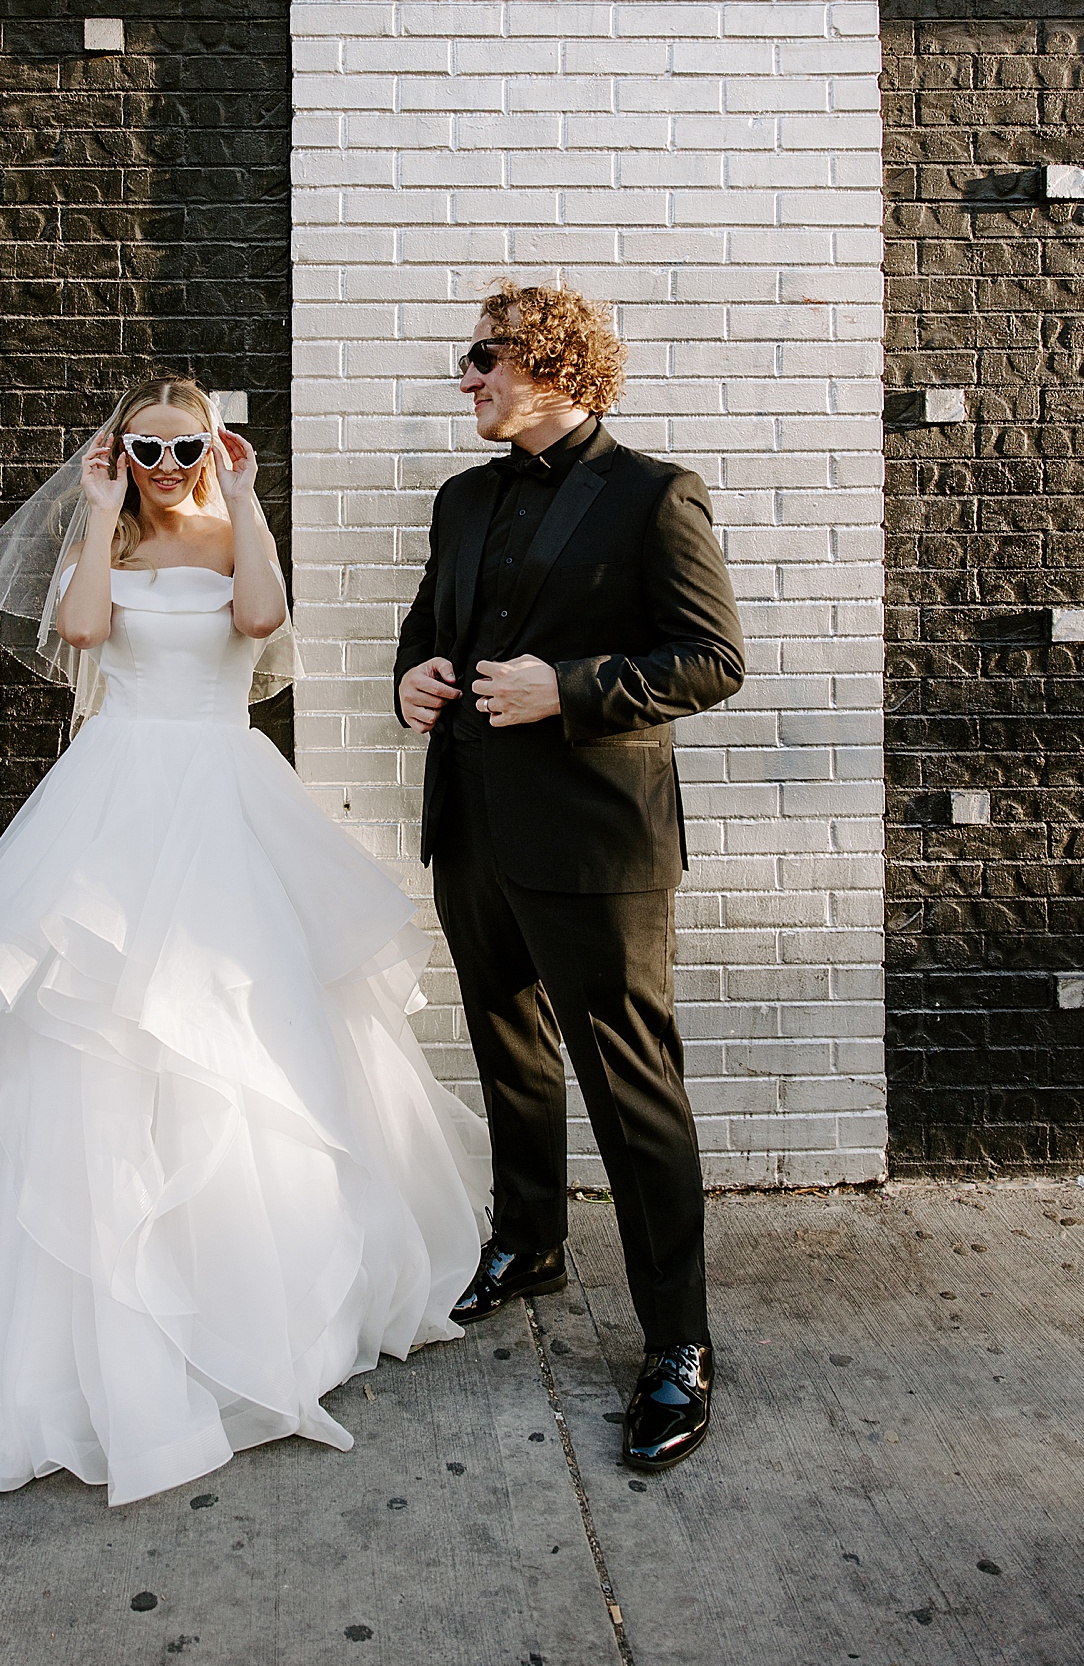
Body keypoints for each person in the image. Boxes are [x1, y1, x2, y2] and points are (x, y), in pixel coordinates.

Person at [0, 376, 488, 1510]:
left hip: (223, 791)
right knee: (95, 1030)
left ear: (215, 440)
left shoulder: (230, 525)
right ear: (121, 451)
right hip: (116, 794)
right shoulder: (110, 529)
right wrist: (101, 512)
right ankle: (101, 1300)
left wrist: (243, 499)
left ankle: (250, 1291)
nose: (166, 460)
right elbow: (83, 632)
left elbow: (259, 625)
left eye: (184, 443)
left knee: (246, 1027)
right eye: (146, 446)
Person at [394, 284, 745, 1473]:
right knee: (509, 1050)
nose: (468, 377)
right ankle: (528, 1243)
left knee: (632, 1088)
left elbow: (712, 659)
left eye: (483, 357)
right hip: (474, 831)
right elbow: (422, 626)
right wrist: (415, 680)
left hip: (598, 844)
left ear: (553, 365)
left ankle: (679, 1348)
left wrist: (572, 688)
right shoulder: (461, 497)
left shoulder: (655, 494)